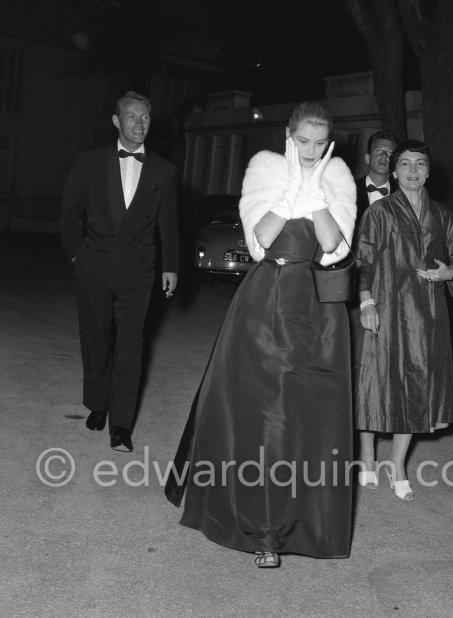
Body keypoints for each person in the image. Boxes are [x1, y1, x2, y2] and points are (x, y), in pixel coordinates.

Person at [165, 102, 356, 568]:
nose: (311, 151)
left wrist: (316, 194)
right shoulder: (264, 169)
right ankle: (262, 532)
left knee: (307, 417)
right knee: (262, 414)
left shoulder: (340, 178)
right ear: (290, 136)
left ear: (328, 140)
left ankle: (303, 523)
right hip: (264, 300)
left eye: (319, 142)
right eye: (303, 141)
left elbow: (332, 248)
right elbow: (259, 241)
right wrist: (290, 190)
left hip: (317, 309)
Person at [60, 90, 179, 453]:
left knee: (131, 344)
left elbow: (169, 226)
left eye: (145, 117)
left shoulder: (164, 169)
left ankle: (121, 425)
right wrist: (76, 257)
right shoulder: (89, 161)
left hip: (139, 272)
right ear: (117, 120)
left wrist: (170, 267)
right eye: (132, 117)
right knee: (97, 340)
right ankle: (98, 403)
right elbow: (69, 214)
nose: (140, 124)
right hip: (94, 266)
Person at [355, 139, 453, 500]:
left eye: (420, 164)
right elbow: (364, 260)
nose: (412, 171)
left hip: (428, 315)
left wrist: (450, 272)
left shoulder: (442, 215)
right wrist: (367, 303)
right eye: (405, 164)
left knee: (417, 387)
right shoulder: (379, 212)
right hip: (387, 307)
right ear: (394, 170)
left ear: (428, 171)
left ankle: (398, 465)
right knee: (377, 381)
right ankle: (368, 457)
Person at [355, 129, 398, 227]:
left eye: (389, 152)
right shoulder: (347, 190)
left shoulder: (403, 196)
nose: (384, 155)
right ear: (367, 158)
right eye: (378, 151)